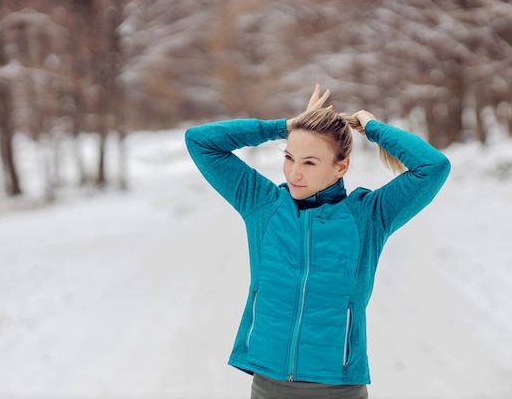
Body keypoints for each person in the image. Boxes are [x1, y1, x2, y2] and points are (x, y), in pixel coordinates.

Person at [185, 84, 451, 399]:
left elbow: (433, 168)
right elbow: (199, 141)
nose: (294, 173)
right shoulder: (263, 205)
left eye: (309, 162)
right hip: (269, 385)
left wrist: (372, 128)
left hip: (338, 388)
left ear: (341, 166)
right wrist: (286, 126)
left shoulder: (366, 217)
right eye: (289, 157)